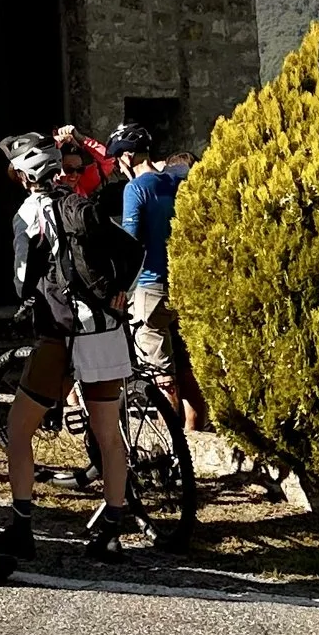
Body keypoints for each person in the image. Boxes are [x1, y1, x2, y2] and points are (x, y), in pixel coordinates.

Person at [0, 128, 152, 570]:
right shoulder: (84, 205)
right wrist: (120, 290)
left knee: (19, 427)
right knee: (108, 429)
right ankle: (112, 531)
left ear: (25, 177)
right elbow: (131, 248)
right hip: (104, 329)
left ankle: (22, 526)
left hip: (59, 333)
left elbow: (22, 281)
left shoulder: (28, 213)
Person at [114, 121, 200, 423]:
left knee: (161, 373)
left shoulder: (135, 188)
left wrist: (118, 284)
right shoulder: (175, 181)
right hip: (180, 282)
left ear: (126, 156)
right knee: (187, 366)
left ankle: (174, 447)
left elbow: (130, 242)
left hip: (149, 287)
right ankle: (194, 436)